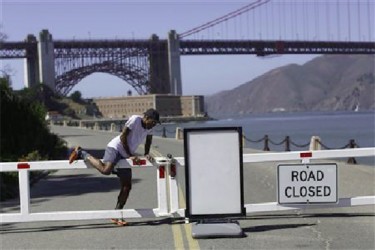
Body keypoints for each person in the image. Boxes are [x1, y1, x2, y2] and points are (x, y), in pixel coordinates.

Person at [68, 108, 161, 226]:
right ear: (146, 118)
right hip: (115, 148)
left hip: (126, 154)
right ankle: (81, 153)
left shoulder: (150, 128)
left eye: (155, 124)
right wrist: (131, 155)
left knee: (127, 186)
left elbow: (148, 141)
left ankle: (117, 214)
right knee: (106, 170)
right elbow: (123, 137)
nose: (153, 125)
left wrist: (146, 153)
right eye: (153, 122)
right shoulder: (135, 120)